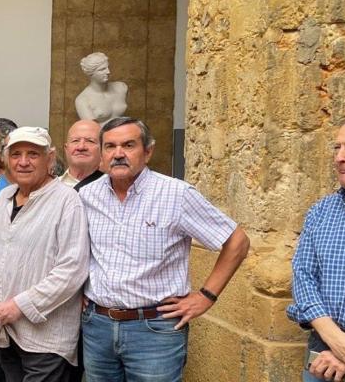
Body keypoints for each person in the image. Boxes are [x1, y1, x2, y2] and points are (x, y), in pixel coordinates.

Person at [80, 117, 250, 382]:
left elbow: (237, 241)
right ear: (101, 154)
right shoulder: (87, 196)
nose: (118, 154)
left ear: (147, 151)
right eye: (110, 147)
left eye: (128, 145)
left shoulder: (176, 194)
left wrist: (206, 297)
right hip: (97, 326)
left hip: (154, 329)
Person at [0, 127, 90, 381]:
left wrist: (20, 306)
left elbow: (72, 269)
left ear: (50, 159)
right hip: (4, 331)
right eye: (16, 154)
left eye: (33, 154)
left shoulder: (66, 200)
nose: (23, 162)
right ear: (6, 160)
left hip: (45, 339)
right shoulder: (4, 198)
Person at [288, 121, 345, 381]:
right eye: (337, 147)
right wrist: (336, 341)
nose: (339, 157)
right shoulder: (321, 212)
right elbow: (303, 276)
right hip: (322, 352)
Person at [74, 53, 127, 124]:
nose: (108, 72)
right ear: (91, 74)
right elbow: (91, 130)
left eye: (108, 67)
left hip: (124, 134)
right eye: (102, 69)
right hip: (101, 135)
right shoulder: (82, 100)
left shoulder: (122, 88)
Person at [58, 119, 104, 191]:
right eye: (75, 141)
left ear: (102, 150)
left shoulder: (113, 187)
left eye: (90, 141)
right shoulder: (49, 189)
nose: (81, 147)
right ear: (66, 149)